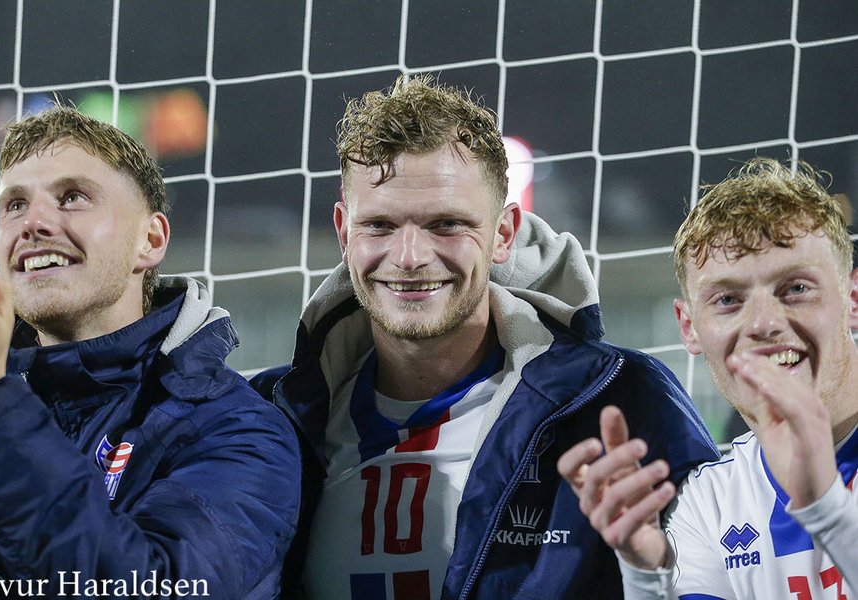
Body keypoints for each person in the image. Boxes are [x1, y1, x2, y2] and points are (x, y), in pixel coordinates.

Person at [251, 74, 719, 600]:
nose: (409, 257)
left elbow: (733, 573)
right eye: (379, 226)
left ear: (503, 234)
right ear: (344, 232)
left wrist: (656, 569)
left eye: (446, 225)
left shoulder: (619, 396)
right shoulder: (268, 418)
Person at [0, 106, 300, 599]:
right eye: (15, 204)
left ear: (150, 239)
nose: (33, 222)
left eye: (72, 197)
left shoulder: (238, 431)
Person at [558, 158, 858, 598]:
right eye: (728, 300)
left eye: (796, 288)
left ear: (853, 299)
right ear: (689, 328)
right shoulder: (709, 502)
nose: (763, 324)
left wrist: (826, 509)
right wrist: (645, 576)